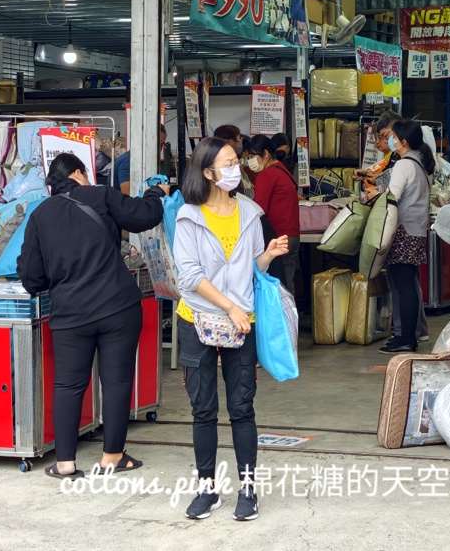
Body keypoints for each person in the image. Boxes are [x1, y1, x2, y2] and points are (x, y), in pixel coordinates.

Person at [18, 153, 168, 478]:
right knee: (116, 382)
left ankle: (65, 463)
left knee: (69, 385)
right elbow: (144, 216)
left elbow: (30, 276)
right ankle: (112, 457)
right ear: (78, 173)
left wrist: (59, 280)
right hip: (118, 307)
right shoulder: (100, 195)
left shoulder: (40, 214)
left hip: (71, 314)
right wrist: (157, 193)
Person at [173, 137, 290, 521]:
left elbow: (251, 270)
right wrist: (229, 306)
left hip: (243, 322)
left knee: (242, 408)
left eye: (235, 161)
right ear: (207, 172)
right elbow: (189, 276)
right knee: (203, 409)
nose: (235, 168)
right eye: (227, 163)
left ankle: (248, 490)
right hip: (198, 320)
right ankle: (207, 489)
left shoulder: (251, 212)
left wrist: (267, 256)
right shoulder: (188, 215)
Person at [380, 119, 435, 354]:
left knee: (403, 287)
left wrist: (376, 193)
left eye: (392, 136)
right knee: (407, 285)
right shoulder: (420, 162)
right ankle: (406, 336)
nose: (389, 140)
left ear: (403, 141)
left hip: (403, 231)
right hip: (416, 230)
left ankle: (406, 340)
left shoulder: (404, 165)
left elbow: (392, 196)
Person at [242, 134, 301, 296]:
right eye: (247, 157)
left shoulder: (267, 175)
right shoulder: (283, 170)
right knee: (287, 283)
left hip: (278, 238)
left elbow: (259, 209)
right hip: (292, 236)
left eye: (252, 156)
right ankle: (290, 318)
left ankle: (283, 319)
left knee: (278, 286)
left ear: (266, 154)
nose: (250, 161)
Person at [115, 125, 167, 195]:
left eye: (162, 145)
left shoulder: (145, 162)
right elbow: (128, 195)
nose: (160, 148)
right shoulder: (127, 161)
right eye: (159, 144)